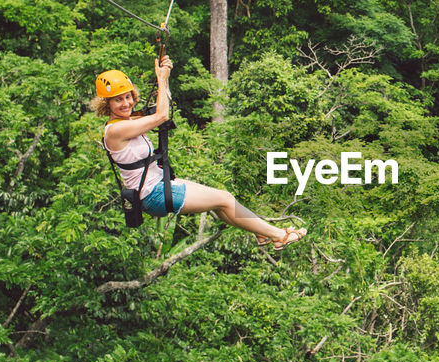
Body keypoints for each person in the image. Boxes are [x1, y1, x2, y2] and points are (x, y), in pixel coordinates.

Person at [92, 56, 305, 250]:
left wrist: (163, 76)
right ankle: (279, 236)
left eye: (128, 97)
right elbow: (161, 116)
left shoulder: (128, 121)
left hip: (159, 184)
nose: (126, 103)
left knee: (223, 204)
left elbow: (158, 111)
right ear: (107, 104)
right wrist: (162, 79)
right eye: (118, 100)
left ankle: (261, 233)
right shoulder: (116, 130)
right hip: (153, 194)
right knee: (225, 199)